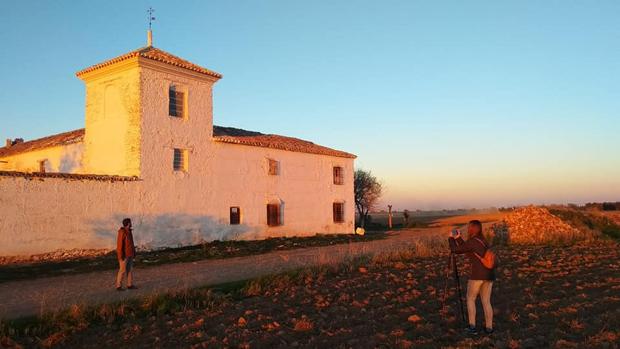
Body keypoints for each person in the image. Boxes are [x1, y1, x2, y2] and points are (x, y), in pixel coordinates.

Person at [449, 220, 495, 335]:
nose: (467, 229)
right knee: (486, 301)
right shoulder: (484, 241)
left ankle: (472, 327)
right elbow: (467, 249)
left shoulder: (473, 241)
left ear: (471, 229)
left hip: (476, 276)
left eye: (469, 227)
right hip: (489, 275)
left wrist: (451, 238)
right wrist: (458, 238)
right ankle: (489, 328)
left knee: (470, 299)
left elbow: (456, 250)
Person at [116, 218, 137, 291]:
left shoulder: (129, 231)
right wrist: (120, 256)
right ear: (128, 223)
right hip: (124, 256)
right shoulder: (122, 232)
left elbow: (131, 243)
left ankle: (129, 284)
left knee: (130, 269)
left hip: (130, 254)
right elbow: (119, 245)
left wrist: (134, 252)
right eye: (130, 222)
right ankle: (118, 286)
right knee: (122, 270)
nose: (131, 223)